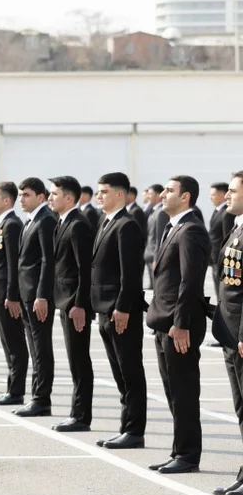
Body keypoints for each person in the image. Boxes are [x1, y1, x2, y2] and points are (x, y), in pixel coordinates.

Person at [146, 176, 210, 475]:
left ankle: (187, 454)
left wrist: (181, 323)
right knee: (173, 389)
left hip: (178, 325)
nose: (162, 195)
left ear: (185, 198)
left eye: (170, 191)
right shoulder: (173, 227)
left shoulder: (191, 230)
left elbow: (190, 280)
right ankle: (178, 450)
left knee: (183, 391)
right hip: (165, 322)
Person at [91, 172, 147, 450]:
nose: (98, 196)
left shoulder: (127, 225)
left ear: (119, 195)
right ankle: (126, 427)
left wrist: (123, 307)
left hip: (120, 311)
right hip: (105, 309)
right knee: (118, 371)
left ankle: (135, 431)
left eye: (104, 191)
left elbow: (131, 273)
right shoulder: (107, 221)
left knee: (130, 371)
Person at [49, 176, 95, 433]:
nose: (50, 197)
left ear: (69, 197)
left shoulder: (78, 225)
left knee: (79, 360)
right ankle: (77, 413)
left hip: (75, 304)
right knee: (74, 359)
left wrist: (80, 304)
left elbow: (84, 269)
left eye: (55, 194)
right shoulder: (62, 222)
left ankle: (81, 416)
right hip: (65, 301)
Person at [212, 170, 243, 495]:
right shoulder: (236, 227)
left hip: (241, 333)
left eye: (233, 191)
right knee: (241, 407)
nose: (228, 195)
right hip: (230, 331)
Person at [16, 177, 57, 417]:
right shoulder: (31, 220)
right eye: (20, 195)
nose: (22, 199)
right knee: (34, 347)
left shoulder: (45, 221)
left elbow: (47, 261)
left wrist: (42, 295)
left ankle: (42, 399)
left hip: (38, 296)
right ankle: (36, 396)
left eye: (26, 195)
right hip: (27, 294)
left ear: (40, 197)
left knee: (41, 348)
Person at [0, 181, 27, 406]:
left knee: (14, 344)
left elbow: (13, 263)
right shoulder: (1, 223)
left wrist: (12, 295)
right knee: (7, 343)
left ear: (6, 200)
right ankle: (12, 388)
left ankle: (16, 391)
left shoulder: (11, 224)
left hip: (6, 294)